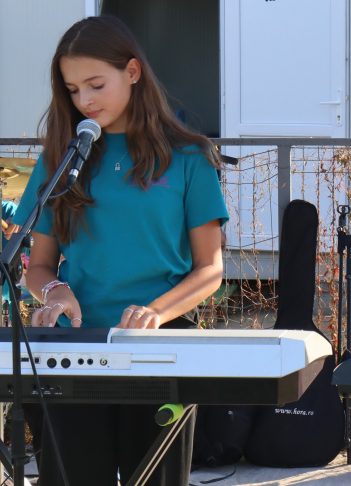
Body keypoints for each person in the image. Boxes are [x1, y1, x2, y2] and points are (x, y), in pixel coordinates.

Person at [14, 15, 228, 486]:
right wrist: (53, 292)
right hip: (75, 350)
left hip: (161, 349)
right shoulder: (60, 159)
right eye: (73, 90)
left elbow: (210, 268)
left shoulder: (188, 156)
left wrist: (155, 312)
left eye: (96, 85)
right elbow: (39, 265)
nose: (85, 101)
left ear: (132, 72)